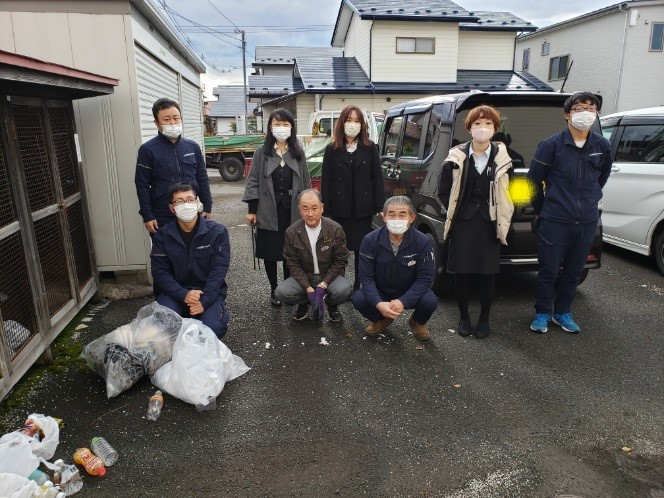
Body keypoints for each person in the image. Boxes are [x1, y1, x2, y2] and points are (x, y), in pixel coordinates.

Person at [528, 92, 612, 334]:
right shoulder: (550, 145)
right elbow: (533, 181)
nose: (585, 113)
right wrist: (544, 209)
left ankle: (563, 312)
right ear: (567, 115)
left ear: (596, 113)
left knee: (574, 271)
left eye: (591, 109)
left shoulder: (602, 146)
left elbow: (602, 177)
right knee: (549, 270)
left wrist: (589, 199)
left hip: (586, 220)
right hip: (555, 219)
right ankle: (542, 312)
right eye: (579, 108)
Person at [438, 105, 514, 339]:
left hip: (490, 223)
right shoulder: (455, 157)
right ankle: (464, 317)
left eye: (488, 124)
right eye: (478, 124)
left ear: (495, 128)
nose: (483, 128)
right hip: (463, 223)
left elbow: (509, 190)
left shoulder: (503, 158)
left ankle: (484, 319)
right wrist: (457, 212)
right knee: (462, 273)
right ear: (469, 128)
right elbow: (444, 190)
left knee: (487, 274)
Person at [242, 108, 311, 306]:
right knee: (270, 253)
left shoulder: (298, 152)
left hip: (292, 209)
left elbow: (305, 182)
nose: (281, 128)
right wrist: (252, 210)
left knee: (291, 253)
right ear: (270, 127)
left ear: (292, 127)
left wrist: (308, 209)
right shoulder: (261, 152)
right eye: (277, 124)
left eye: (285, 124)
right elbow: (253, 181)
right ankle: (274, 289)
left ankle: (288, 290)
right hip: (268, 209)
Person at [352, 196, 437, 341]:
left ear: (412, 218)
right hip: (381, 291)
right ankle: (380, 319)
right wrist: (378, 303)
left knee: (430, 301)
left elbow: (426, 278)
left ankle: (417, 322)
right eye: (391, 214)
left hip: (409, 290)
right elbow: (365, 277)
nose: (397, 219)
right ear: (384, 216)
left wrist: (404, 301)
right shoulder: (370, 240)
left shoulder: (423, 241)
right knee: (359, 299)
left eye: (402, 214)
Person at [151, 183, 230, 338]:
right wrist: (184, 294)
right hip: (174, 293)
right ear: (172, 208)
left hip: (207, 292)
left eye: (190, 199)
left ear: (197, 203)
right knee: (163, 328)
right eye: (179, 201)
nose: (186, 205)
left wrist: (204, 302)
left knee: (213, 328)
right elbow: (160, 273)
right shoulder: (162, 236)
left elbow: (219, 270)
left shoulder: (218, 232)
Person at [321, 105, 385, 291]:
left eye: (357, 121)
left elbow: (377, 177)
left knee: (361, 249)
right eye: (349, 120)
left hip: (362, 209)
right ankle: (338, 286)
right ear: (341, 123)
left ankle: (359, 284)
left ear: (362, 125)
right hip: (339, 208)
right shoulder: (332, 149)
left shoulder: (370, 148)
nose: (352, 124)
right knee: (338, 249)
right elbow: (326, 180)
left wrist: (379, 205)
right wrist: (325, 206)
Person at [135, 98, 212, 234]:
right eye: (167, 119)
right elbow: (142, 184)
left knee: (195, 245)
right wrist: (148, 215)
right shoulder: (147, 150)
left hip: (191, 210)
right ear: (156, 123)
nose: (173, 122)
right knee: (165, 246)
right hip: (163, 214)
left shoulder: (192, 147)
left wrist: (207, 205)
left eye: (176, 118)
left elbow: (202, 178)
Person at [274, 189, 352, 321]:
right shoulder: (291, 232)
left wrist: (325, 283)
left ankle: (331, 304)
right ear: (299, 209)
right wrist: (307, 287)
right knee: (281, 293)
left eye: (314, 208)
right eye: (305, 208)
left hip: (329, 275)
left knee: (344, 290)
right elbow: (292, 263)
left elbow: (341, 259)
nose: (310, 214)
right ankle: (305, 303)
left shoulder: (335, 229)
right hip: (306, 276)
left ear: (322, 208)